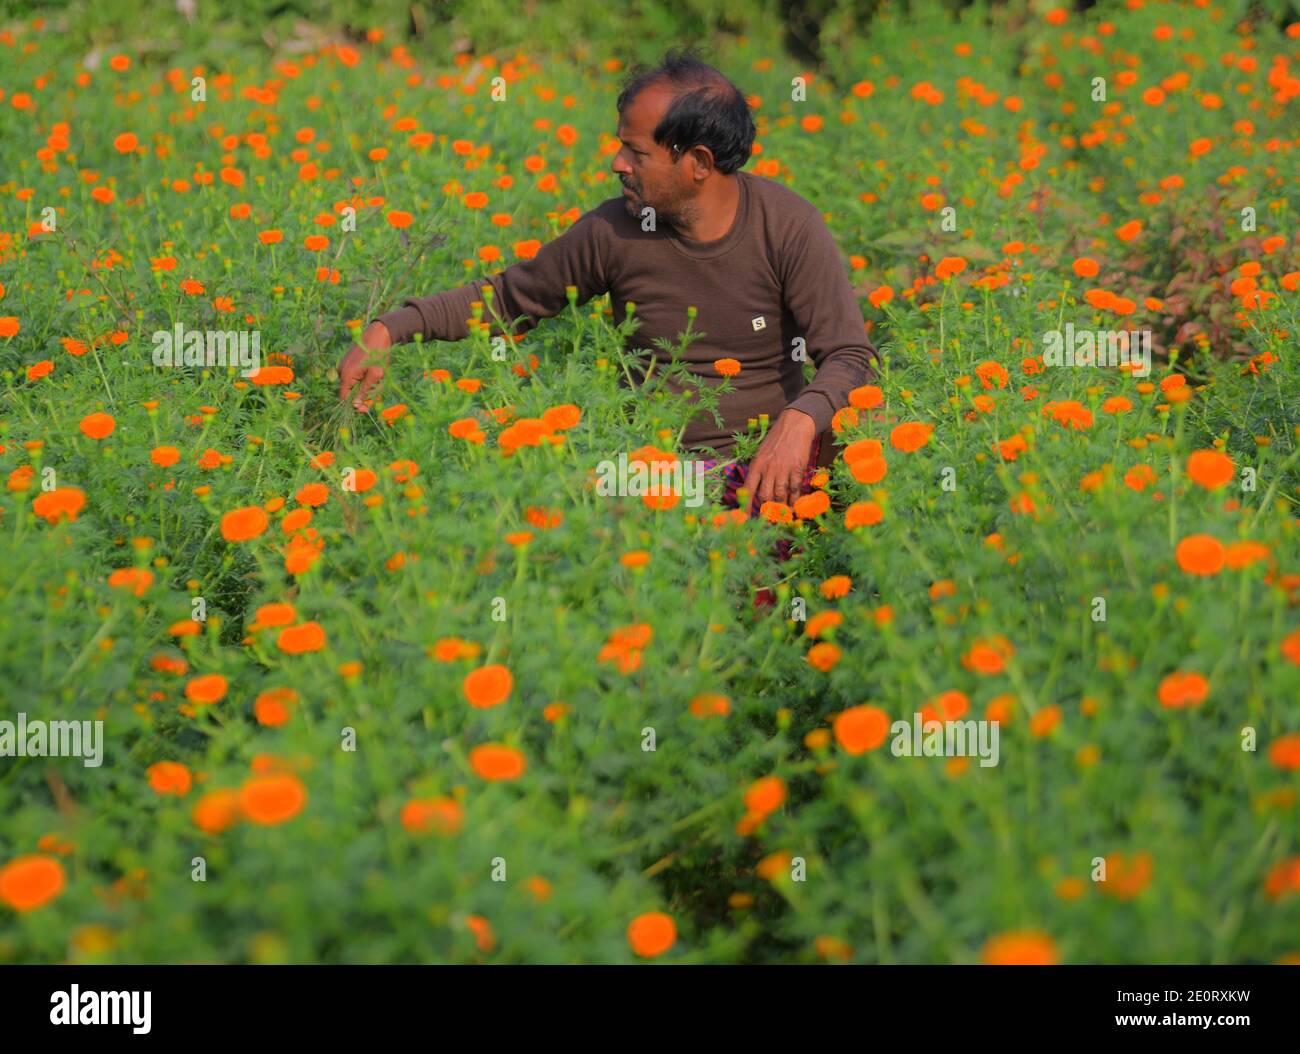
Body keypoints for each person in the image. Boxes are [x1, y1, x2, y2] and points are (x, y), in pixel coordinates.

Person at [337, 45, 879, 514]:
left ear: (698, 162)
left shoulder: (788, 226)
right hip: (645, 469)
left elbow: (850, 357)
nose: (617, 163)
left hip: (764, 465)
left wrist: (800, 420)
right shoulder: (614, 231)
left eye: (636, 152)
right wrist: (389, 329)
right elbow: (508, 298)